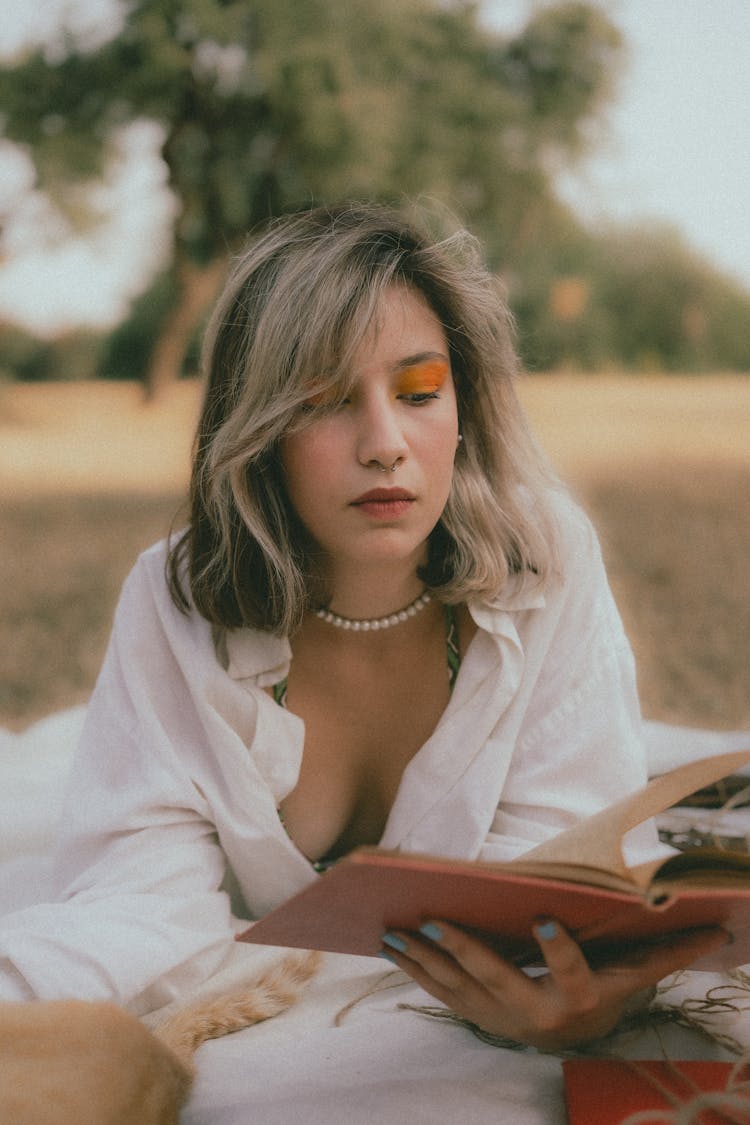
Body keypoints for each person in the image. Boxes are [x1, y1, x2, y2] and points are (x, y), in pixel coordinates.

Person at [0, 202, 724, 1049]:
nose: (385, 442)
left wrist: (589, 1002)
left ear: (466, 404)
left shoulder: (545, 562)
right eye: (324, 401)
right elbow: (136, 903)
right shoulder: (177, 595)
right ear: (257, 429)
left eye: (420, 392)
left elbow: (569, 880)